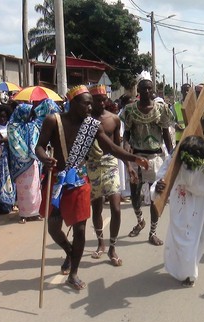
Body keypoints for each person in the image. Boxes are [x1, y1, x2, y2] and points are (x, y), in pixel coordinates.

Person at [36, 85, 149, 290]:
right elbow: (39, 146)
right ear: (73, 103)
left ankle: (74, 273)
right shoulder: (54, 121)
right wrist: (45, 158)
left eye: (91, 103)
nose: (91, 107)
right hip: (56, 181)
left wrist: (133, 159)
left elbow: (110, 147)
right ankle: (69, 251)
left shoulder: (92, 125)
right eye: (86, 103)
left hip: (78, 179)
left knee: (79, 228)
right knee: (53, 226)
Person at [154, 136, 204, 287]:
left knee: (199, 239)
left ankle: (189, 272)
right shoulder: (176, 157)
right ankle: (185, 271)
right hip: (181, 198)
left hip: (203, 203)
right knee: (181, 238)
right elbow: (162, 177)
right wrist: (158, 187)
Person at [121, 79, 174, 246]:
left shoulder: (161, 109)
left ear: (153, 90)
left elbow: (166, 134)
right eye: (143, 89)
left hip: (156, 158)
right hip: (137, 157)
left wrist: (172, 156)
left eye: (150, 89)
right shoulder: (129, 110)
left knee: (154, 196)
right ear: (139, 90)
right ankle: (140, 220)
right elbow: (126, 136)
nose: (147, 92)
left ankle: (153, 231)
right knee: (135, 196)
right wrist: (128, 161)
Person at [86, 84, 124, 266]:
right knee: (97, 208)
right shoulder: (84, 121)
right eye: (97, 100)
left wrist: (129, 166)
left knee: (116, 208)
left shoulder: (114, 119)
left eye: (103, 99)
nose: (101, 103)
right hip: (92, 166)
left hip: (110, 164)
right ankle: (101, 243)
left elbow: (117, 147)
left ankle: (112, 247)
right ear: (91, 101)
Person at [9, 100, 58, 223]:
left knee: (35, 187)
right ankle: (24, 214)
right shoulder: (12, 126)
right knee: (23, 189)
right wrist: (28, 154)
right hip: (21, 163)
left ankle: (35, 212)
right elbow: (15, 145)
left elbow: (37, 140)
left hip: (34, 161)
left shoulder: (32, 125)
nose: (30, 116)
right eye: (29, 113)